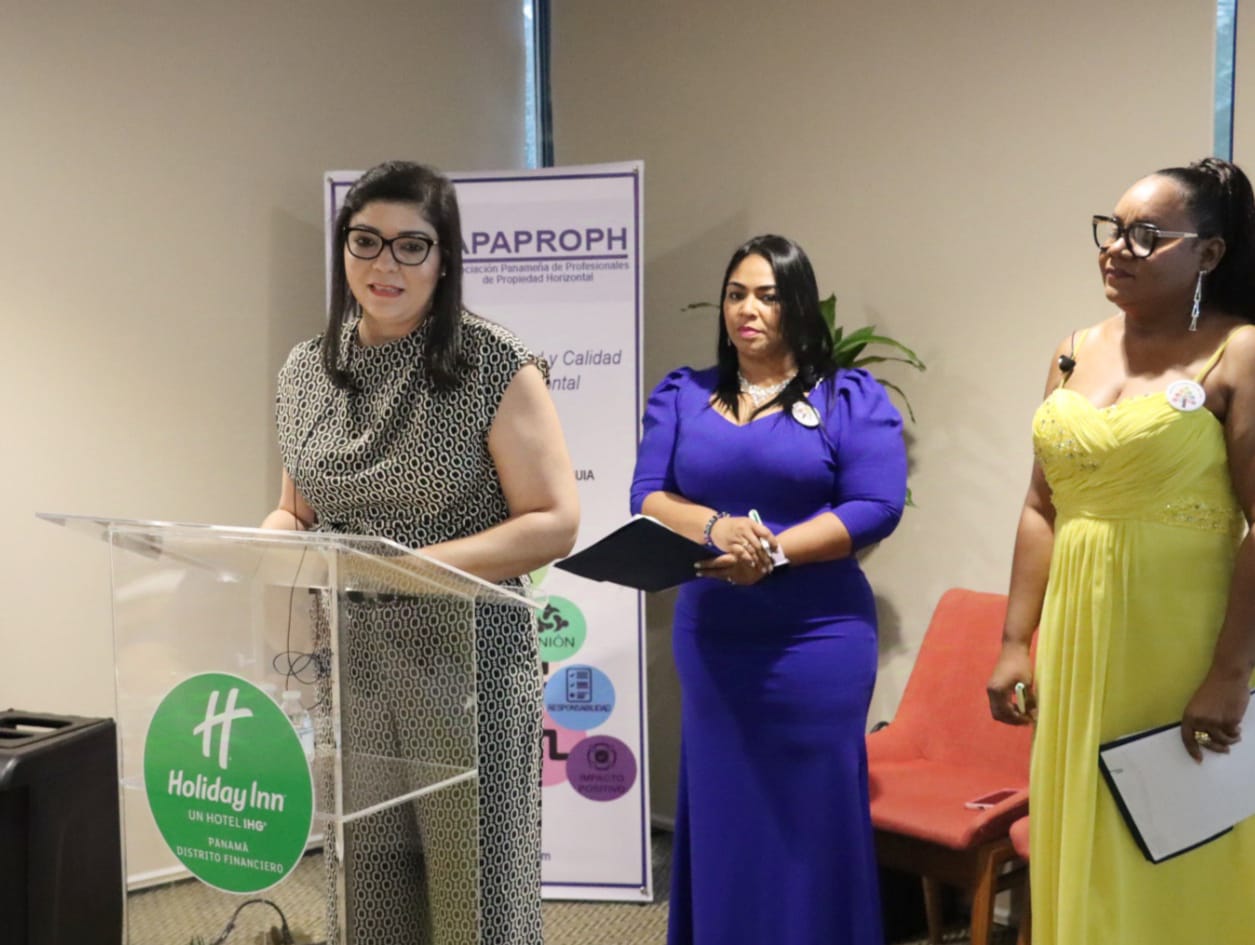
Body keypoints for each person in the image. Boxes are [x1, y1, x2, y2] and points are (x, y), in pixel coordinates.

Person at [262, 160, 579, 945]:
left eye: (412, 245)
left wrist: (411, 567)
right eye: (366, 240)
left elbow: (554, 521)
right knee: (369, 889)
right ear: (343, 248)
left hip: (464, 660)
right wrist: (266, 543)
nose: (386, 263)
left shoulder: (492, 364)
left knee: (472, 896)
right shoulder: (307, 370)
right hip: (351, 661)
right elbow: (295, 507)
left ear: (444, 258)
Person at [987, 157, 1255, 944]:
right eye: (1111, 230)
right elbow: (1041, 504)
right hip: (1075, 638)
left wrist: (1228, 673)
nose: (1115, 248)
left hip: (1177, 643)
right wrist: (1013, 639)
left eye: (1144, 235)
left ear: (1208, 253)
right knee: (1083, 825)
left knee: (1170, 841)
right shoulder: (1071, 350)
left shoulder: (1238, 351)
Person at [630, 234, 907, 944]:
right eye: (735, 294)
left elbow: (876, 505)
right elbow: (648, 495)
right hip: (715, 636)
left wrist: (774, 553)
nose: (746, 309)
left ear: (798, 306)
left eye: (767, 295)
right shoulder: (683, 394)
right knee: (725, 806)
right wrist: (716, 527)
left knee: (811, 815)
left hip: (817, 638)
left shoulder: (849, 397)